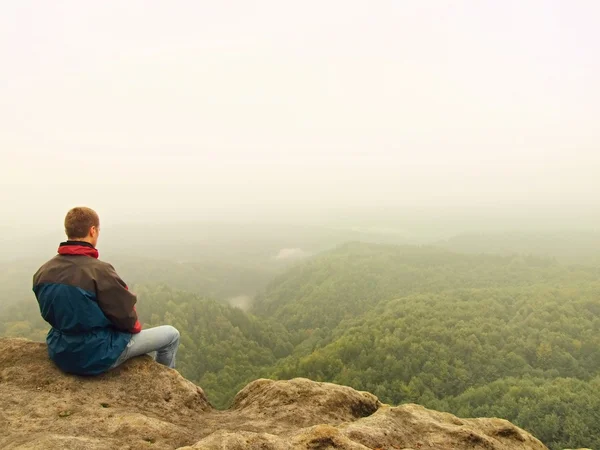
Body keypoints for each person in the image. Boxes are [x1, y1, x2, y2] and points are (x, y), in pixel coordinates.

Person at [32, 206, 180, 375]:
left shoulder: (43, 272)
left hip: (60, 352)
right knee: (171, 335)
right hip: (97, 355)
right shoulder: (100, 272)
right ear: (93, 231)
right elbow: (127, 318)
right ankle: (165, 384)